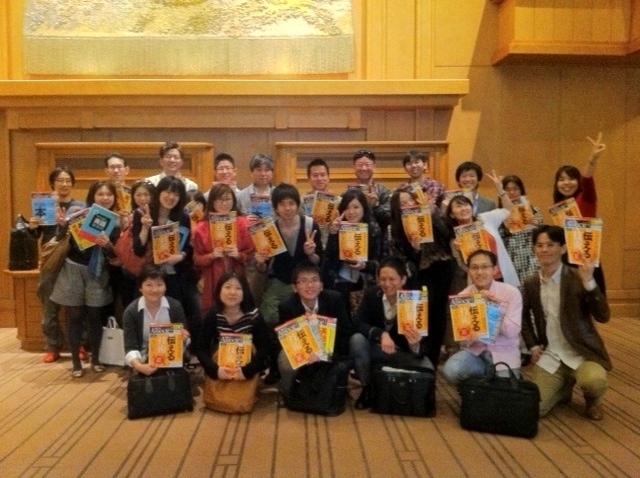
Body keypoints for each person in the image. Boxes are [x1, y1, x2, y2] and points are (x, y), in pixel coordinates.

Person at [521, 225, 611, 421]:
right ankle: (563, 389)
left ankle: (593, 399)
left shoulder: (578, 277)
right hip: (552, 354)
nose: (544, 250)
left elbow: (603, 316)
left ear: (563, 248)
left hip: (582, 352)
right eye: (539, 245)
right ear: (534, 249)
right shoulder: (531, 283)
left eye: (550, 245)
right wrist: (533, 345)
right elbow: (523, 317)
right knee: (534, 408)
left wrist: (589, 283)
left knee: (594, 381)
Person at [50, 180, 121, 377]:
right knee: (74, 316)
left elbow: (115, 255)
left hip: (97, 271)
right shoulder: (78, 213)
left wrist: (107, 245)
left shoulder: (115, 222)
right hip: (73, 269)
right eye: (100, 194)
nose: (105, 198)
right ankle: (76, 363)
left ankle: (96, 359)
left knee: (95, 317)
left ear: (114, 198)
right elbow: (61, 240)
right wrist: (62, 226)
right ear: (92, 196)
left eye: (109, 194)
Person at [349, 257, 434, 409]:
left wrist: (415, 345)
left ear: (403, 279)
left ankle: (404, 393)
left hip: (402, 352)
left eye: (392, 279)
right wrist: (381, 334)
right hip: (377, 349)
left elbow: (427, 344)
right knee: (356, 340)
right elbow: (358, 323)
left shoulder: (416, 302)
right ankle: (367, 388)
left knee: (428, 368)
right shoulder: (371, 294)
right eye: (382, 279)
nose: (387, 284)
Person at [388, 185, 455, 368]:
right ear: (396, 208)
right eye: (403, 203)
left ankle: (433, 358)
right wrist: (415, 250)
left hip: (442, 266)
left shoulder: (429, 213)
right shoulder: (396, 228)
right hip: (420, 274)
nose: (408, 204)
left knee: (439, 313)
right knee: (424, 311)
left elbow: (448, 234)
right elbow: (401, 261)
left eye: (410, 200)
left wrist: (433, 214)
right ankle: (420, 354)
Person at [131, 176, 200, 345]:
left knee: (176, 314)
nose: (171, 197)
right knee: (147, 315)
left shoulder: (183, 217)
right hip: (150, 274)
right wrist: (145, 227)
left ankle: (176, 351)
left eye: (176, 194)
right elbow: (138, 250)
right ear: (158, 193)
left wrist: (180, 256)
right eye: (167, 192)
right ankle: (146, 350)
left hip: (175, 275)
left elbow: (188, 248)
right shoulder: (142, 213)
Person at [28, 166, 85, 363]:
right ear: (53, 183)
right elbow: (36, 235)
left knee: (76, 305)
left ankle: (79, 345)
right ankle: (52, 346)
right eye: (60, 180)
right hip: (50, 261)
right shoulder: (43, 205)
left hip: (73, 259)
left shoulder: (80, 206)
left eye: (68, 180)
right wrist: (33, 227)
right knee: (49, 305)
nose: (64, 184)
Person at [442, 250, 523, 386]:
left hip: (504, 354)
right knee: (451, 369)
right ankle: (482, 383)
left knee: (504, 390)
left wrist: (491, 307)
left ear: (494, 270)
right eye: (474, 267)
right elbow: (463, 342)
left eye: (485, 267)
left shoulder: (511, 292)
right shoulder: (463, 297)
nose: (479, 272)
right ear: (469, 271)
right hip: (476, 354)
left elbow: (512, 331)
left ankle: (490, 382)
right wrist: (470, 336)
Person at [276, 264, 353, 398]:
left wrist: (323, 353)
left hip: (331, 349)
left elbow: (345, 331)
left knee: (351, 346)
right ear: (295, 287)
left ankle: (337, 390)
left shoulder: (335, 299)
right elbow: (286, 339)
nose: (310, 285)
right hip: (301, 350)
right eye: (303, 281)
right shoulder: (286, 306)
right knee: (285, 359)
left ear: (321, 285)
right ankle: (287, 393)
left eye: (314, 280)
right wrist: (306, 352)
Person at [256, 183, 323, 327]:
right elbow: (263, 268)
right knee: (268, 315)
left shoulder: (310, 225)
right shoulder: (269, 230)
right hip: (280, 280)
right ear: (275, 208)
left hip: (306, 279)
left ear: (297, 205)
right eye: (282, 204)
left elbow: (319, 261)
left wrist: (310, 254)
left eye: (291, 203)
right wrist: (260, 262)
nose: (287, 208)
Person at [553, 133, 606, 294]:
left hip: (587, 259)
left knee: (590, 302)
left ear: (578, 181)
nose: (566, 183)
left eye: (571, 179)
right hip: (566, 259)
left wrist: (593, 158)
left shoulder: (586, 198)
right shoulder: (558, 206)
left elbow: (587, 179)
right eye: (561, 179)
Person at [196, 271, 271, 383]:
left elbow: (265, 347)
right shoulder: (213, 315)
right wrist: (215, 370)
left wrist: (247, 371)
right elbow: (201, 349)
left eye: (238, 288)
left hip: (247, 367)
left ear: (245, 292)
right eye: (227, 287)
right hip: (220, 366)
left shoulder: (253, 315)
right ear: (219, 290)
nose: (232, 292)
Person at [193, 183, 254, 316]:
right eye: (220, 199)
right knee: (213, 316)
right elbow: (196, 260)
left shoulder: (243, 223)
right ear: (212, 202)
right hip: (211, 279)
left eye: (228, 199)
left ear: (234, 200)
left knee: (239, 313)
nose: (224, 203)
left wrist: (238, 255)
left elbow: (251, 254)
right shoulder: (201, 228)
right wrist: (211, 256)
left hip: (238, 277)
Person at [323, 188, 381, 316]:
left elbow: (379, 262)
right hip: (340, 281)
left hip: (365, 282)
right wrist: (333, 234)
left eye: (356, 207)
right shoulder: (337, 227)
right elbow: (328, 261)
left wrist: (364, 265)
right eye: (347, 208)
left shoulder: (373, 229)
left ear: (364, 208)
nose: (351, 212)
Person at [123, 265, 190, 376]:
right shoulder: (131, 312)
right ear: (140, 287)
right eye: (149, 285)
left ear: (165, 287)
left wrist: (185, 338)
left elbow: (185, 341)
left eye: (159, 285)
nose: (154, 290)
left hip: (171, 359)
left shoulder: (175, 307)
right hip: (143, 360)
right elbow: (130, 347)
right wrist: (139, 366)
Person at [446, 191, 520, 289]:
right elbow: (464, 267)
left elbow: (509, 210)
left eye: (466, 205)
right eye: (458, 206)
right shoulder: (455, 239)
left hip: (501, 275)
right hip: (480, 281)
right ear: (451, 214)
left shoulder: (485, 219)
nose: (463, 208)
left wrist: (500, 190)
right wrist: (460, 252)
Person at [118, 179, 156, 310]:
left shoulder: (156, 213)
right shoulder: (133, 214)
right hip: (132, 269)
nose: (142, 198)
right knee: (131, 307)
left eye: (146, 194)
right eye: (138, 195)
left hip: (150, 269)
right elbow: (137, 247)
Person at [499, 175, 543, 284]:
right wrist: (505, 228)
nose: (512, 192)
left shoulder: (534, 210)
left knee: (532, 288)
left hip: (532, 259)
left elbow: (543, 236)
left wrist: (536, 224)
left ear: (521, 190)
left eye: (515, 189)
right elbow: (497, 240)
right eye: (508, 190)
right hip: (511, 259)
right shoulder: (499, 214)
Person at [344, 150, 391, 252]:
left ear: (374, 166)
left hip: (379, 246)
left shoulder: (383, 191)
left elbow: (388, 219)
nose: (364, 168)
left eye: (367, 165)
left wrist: (375, 206)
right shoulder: (347, 193)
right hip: (353, 244)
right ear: (354, 167)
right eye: (360, 165)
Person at [301, 158, 340, 249]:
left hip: (333, 246)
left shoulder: (338, 201)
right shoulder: (302, 201)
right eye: (315, 175)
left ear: (328, 178)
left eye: (323, 175)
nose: (319, 178)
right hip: (309, 246)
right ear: (309, 179)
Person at [236, 153, 276, 220]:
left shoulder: (279, 195)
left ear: (272, 173)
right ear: (252, 173)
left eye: (267, 170)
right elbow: (234, 221)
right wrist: (243, 220)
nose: (263, 174)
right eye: (259, 170)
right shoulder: (240, 196)